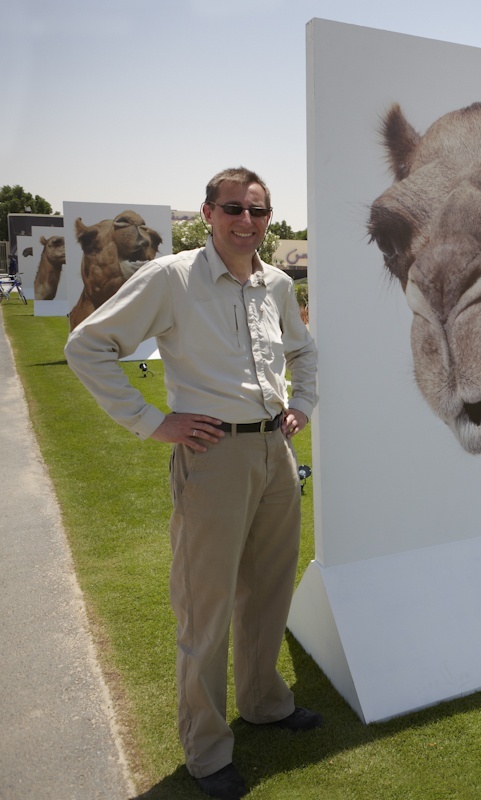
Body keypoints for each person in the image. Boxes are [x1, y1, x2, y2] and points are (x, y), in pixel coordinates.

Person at [65, 167, 319, 799]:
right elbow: (87, 346)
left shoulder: (277, 285)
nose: (247, 222)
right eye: (233, 209)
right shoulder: (173, 278)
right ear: (208, 214)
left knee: (267, 593)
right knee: (204, 610)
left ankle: (264, 702)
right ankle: (207, 753)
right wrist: (153, 422)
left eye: (258, 212)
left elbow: (304, 351)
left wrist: (303, 402)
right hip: (211, 459)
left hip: (275, 453)